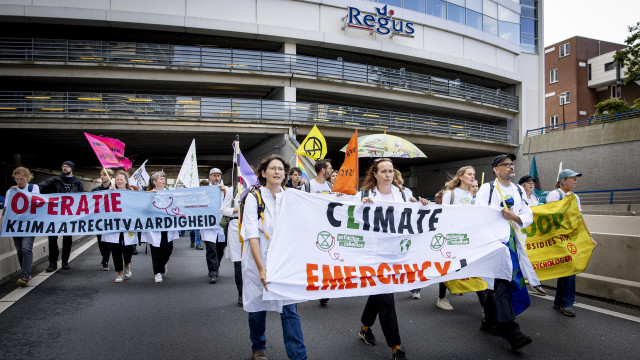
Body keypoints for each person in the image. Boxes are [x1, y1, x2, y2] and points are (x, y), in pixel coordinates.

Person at [357, 158, 429, 360]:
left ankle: (364, 327)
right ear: (375, 174)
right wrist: (360, 205)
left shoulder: (405, 194)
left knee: (378, 292)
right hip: (374, 254)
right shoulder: (363, 195)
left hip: (398, 254)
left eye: (391, 171)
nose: (388, 174)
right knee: (386, 296)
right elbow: (348, 216)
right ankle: (396, 346)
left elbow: (416, 218)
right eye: (384, 171)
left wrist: (422, 206)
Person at [241, 154, 307, 360]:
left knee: (289, 310)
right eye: (273, 168)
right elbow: (251, 234)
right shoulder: (254, 197)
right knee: (257, 310)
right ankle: (258, 347)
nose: (277, 172)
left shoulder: (291, 196)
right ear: (263, 173)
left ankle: (299, 356)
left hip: (285, 264)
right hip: (258, 261)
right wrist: (261, 268)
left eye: (281, 169)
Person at [475, 154, 533, 351]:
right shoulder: (487, 189)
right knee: (502, 284)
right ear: (496, 169)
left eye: (511, 164)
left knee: (500, 286)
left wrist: (515, 217)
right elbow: (478, 214)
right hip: (495, 245)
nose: (510, 167)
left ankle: (489, 322)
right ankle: (511, 331)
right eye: (506, 165)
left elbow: (528, 214)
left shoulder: (518, 189)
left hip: (513, 244)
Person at [437, 166, 489, 311]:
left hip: (471, 238)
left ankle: (486, 308)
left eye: (474, 174)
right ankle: (441, 298)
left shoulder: (474, 195)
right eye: (469, 174)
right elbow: (445, 217)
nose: (472, 176)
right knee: (448, 268)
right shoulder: (451, 194)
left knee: (475, 269)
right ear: (460, 176)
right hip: (454, 238)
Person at [546, 169, 596, 317]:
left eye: (576, 179)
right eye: (572, 178)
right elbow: (549, 217)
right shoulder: (555, 195)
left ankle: (560, 301)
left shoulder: (575, 197)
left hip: (570, 238)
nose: (575, 181)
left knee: (566, 270)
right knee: (571, 268)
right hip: (558, 238)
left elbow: (579, 218)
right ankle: (567, 303)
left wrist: (589, 235)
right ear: (563, 181)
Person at [38, 161, 84, 271]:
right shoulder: (55, 180)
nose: (64, 168)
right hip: (55, 214)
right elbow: (40, 187)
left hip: (69, 215)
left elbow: (83, 199)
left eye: (67, 166)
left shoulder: (78, 183)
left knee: (67, 238)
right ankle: (53, 262)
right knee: (52, 238)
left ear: (72, 168)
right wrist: (25, 189)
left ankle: (65, 261)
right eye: (63, 166)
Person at [2, 167, 40, 286]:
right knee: (19, 250)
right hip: (16, 224)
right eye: (17, 179)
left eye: (21, 179)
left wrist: (19, 191)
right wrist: (2, 221)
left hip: (29, 223)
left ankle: (25, 275)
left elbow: (34, 201)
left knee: (26, 248)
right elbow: (7, 208)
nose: (19, 182)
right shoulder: (10, 191)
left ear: (27, 178)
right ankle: (25, 272)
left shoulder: (33, 188)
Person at [141, 171, 179, 283]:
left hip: (167, 225)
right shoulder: (148, 194)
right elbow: (145, 209)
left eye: (164, 178)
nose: (163, 180)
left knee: (168, 248)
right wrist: (151, 197)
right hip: (154, 226)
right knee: (155, 249)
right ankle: (157, 272)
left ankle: (162, 264)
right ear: (154, 182)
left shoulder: (170, 193)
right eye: (160, 178)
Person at [101, 170, 136, 283]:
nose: (119, 181)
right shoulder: (109, 192)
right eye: (117, 179)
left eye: (121, 179)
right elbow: (101, 205)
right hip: (114, 225)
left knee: (128, 248)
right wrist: (108, 192)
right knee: (115, 249)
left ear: (126, 181)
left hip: (128, 225)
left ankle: (127, 265)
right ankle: (119, 273)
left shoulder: (132, 193)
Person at [201, 168, 227, 284]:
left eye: (218, 176)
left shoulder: (226, 190)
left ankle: (216, 267)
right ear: (210, 177)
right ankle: (212, 272)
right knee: (211, 249)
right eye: (214, 175)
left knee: (220, 249)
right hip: (209, 224)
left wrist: (225, 193)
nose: (217, 178)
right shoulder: (205, 190)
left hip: (221, 224)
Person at [220, 177, 244, 306]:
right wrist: (236, 209)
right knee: (239, 261)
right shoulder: (233, 191)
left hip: (253, 225)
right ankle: (241, 293)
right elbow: (223, 210)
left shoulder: (257, 190)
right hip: (235, 226)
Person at [92, 168, 114, 271]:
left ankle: (105, 260)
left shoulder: (114, 189)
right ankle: (104, 256)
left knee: (108, 241)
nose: (102, 176)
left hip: (110, 219)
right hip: (99, 219)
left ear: (110, 177)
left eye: (105, 175)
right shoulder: (95, 190)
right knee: (100, 240)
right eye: (101, 174)